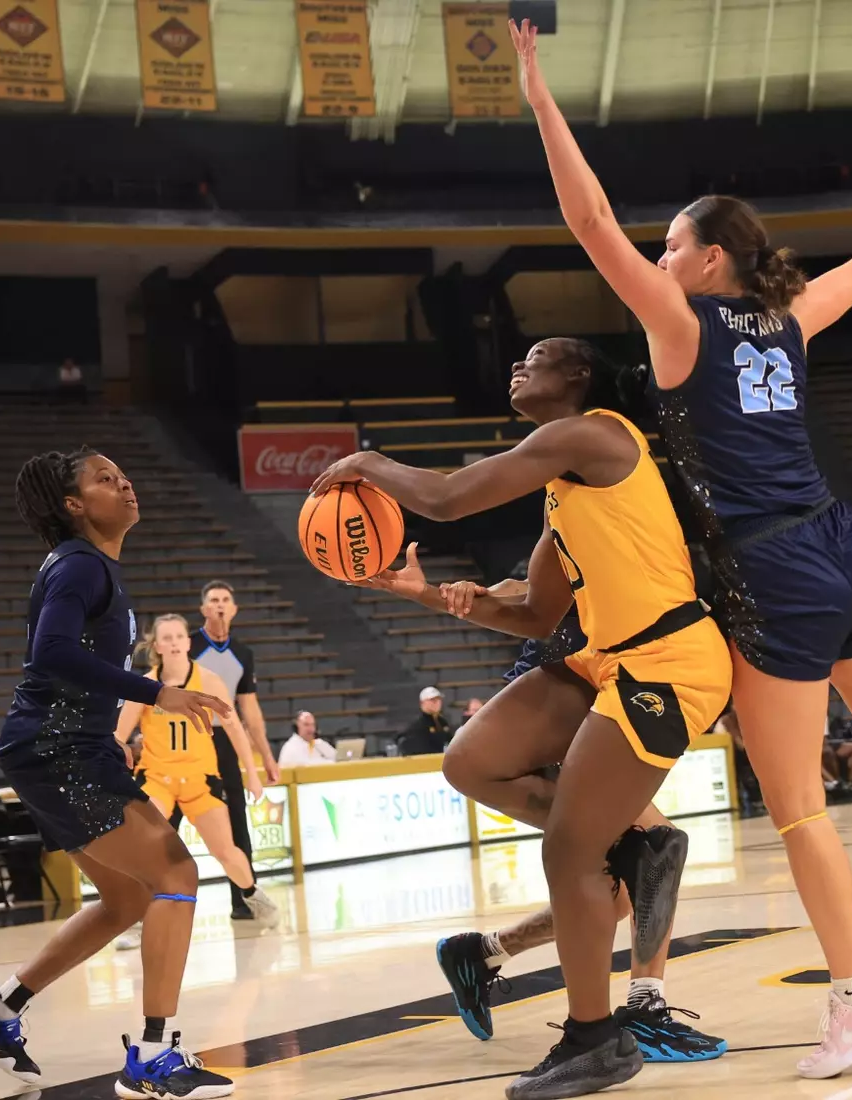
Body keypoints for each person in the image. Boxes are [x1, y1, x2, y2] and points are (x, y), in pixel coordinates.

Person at [505, 18, 852, 1082]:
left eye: (670, 247)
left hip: (771, 566)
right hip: (845, 543)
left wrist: (537, 92)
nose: (656, 259)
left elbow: (587, 216)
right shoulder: (787, 318)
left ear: (707, 259)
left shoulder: (681, 323)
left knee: (797, 804)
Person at [313, 332, 732, 1098]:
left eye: (533, 358)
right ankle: (625, 848)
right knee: (471, 761)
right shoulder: (564, 485)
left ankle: (595, 1039)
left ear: (577, 374)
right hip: (606, 658)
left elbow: (445, 498)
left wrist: (366, 461)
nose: (515, 367)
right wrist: (428, 595)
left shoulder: (593, 434)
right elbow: (538, 613)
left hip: (668, 660)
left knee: (568, 852)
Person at [0, 448, 236, 1099]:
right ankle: (153, 1057)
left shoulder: (86, 564)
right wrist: (157, 693)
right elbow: (50, 652)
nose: (125, 482)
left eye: (123, 474)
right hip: (60, 749)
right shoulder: (80, 563)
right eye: (105, 479)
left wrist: (111, 726)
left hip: (59, 747)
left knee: (129, 897)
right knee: (176, 874)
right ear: (74, 504)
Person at [417, 584, 724, 1066]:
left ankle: (482, 953)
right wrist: (455, 593)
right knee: (653, 849)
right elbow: (530, 585)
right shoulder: (604, 548)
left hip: (598, 695)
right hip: (559, 706)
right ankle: (644, 1007)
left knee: (616, 895)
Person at [116, 614, 267, 919]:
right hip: (158, 778)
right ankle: (137, 913)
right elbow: (118, 737)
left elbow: (235, 728)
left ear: (188, 642)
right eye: (167, 638)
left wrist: (252, 774)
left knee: (226, 851)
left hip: (199, 779)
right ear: (157, 646)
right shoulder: (144, 687)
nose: (173, 643)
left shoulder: (208, 681)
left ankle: (252, 894)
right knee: (143, 842)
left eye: (178, 637)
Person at [191, 580, 282, 920]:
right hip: (191, 740)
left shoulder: (243, 654)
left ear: (234, 609)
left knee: (237, 822)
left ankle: (244, 900)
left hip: (225, 742)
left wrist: (266, 757)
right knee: (171, 820)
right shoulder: (188, 646)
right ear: (203, 608)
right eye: (213, 599)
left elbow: (251, 712)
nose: (219, 605)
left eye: (225, 600)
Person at [397, 687, 453, 756]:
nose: (436, 702)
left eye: (438, 699)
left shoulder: (442, 722)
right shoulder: (418, 725)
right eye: (432, 700)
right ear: (422, 703)